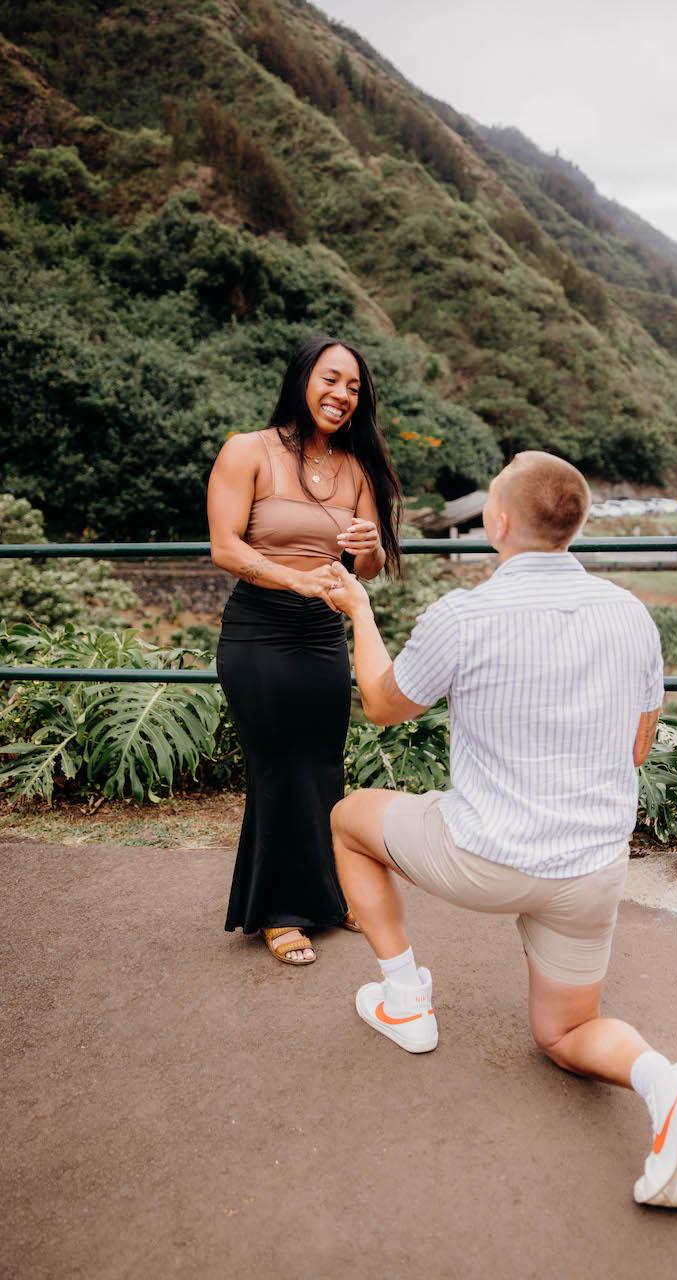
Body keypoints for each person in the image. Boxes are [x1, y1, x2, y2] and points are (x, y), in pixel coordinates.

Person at [327, 451, 677, 1209]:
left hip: (484, 856)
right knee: (567, 1034)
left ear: (499, 520)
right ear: (572, 525)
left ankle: (404, 999)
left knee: (349, 820)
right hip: (591, 870)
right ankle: (667, 1083)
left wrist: (359, 609)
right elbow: (638, 748)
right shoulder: (631, 615)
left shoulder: (463, 615)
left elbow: (381, 704)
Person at [207, 336, 402, 965]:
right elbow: (225, 547)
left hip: (322, 635)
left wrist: (368, 543)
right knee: (277, 765)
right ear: (302, 380)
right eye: (331, 379)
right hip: (259, 630)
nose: (343, 395)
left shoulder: (356, 468)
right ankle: (278, 912)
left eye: (354, 388)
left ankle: (328, 892)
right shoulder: (248, 451)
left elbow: (365, 568)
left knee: (322, 764)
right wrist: (294, 578)